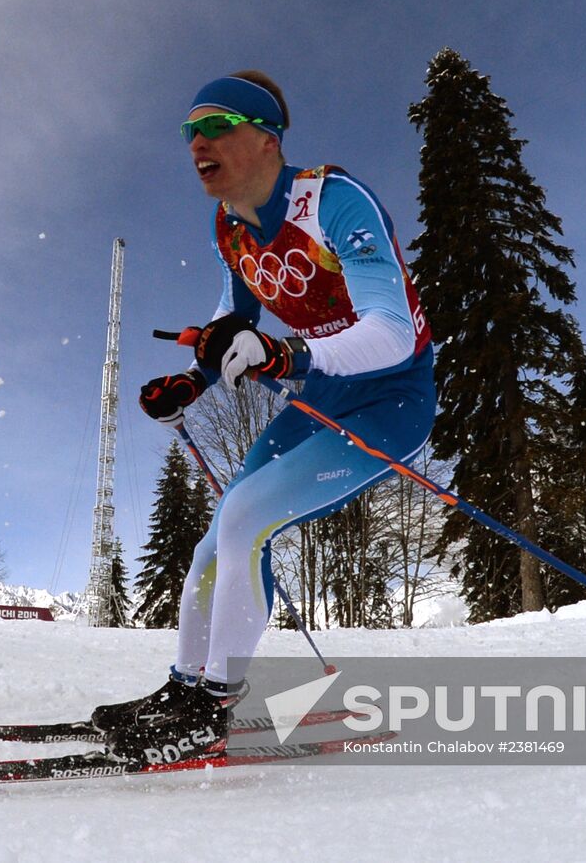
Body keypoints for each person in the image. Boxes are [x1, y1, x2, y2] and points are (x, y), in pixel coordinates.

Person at [95, 71, 436, 765]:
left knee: (247, 513)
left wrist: (286, 354)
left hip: (389, 397)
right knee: (219, 537)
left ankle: (211, 707)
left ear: (267, 138)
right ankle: (185, 692)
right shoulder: (230, 227)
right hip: (319, 398)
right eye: (189, 131)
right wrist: (192, 382)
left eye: (215, 126)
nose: (197, 143)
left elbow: (393, 331)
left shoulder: (333, 202)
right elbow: (234, 320)